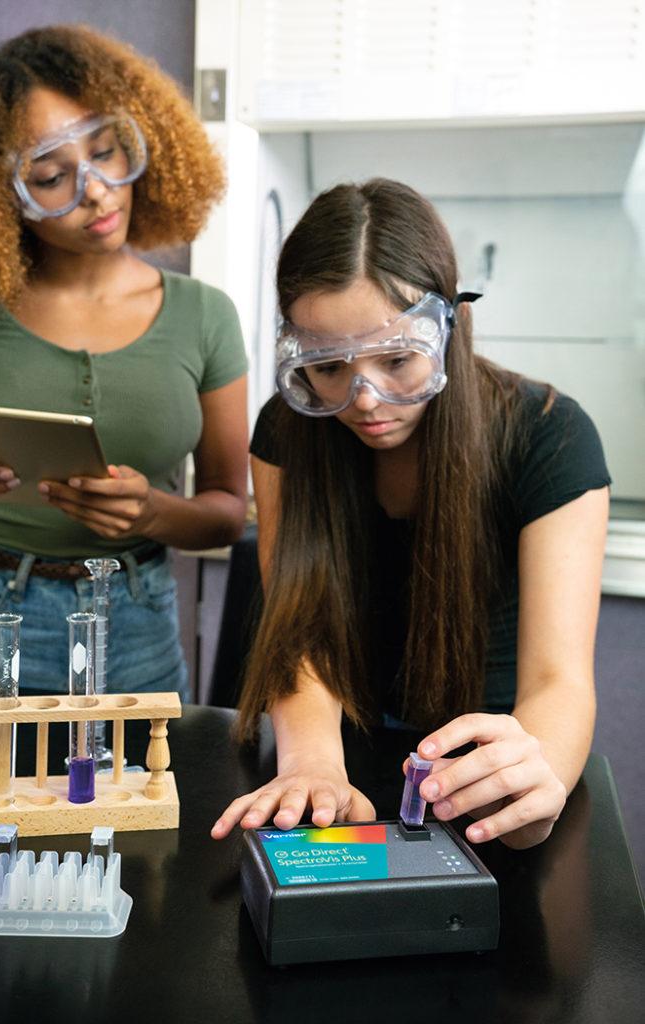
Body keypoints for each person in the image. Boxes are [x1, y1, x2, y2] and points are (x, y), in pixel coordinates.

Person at [211, 178, 609, 850]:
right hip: (343, 751)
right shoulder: (289, 430)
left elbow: (557, 680)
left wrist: (533, 779)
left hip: (487, 760)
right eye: (328, 366)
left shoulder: (551, 436)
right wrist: (310, 765)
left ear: (448, 324)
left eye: (396, 359)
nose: (364, 399)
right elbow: (300, 630)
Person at [0, 25, 249, 700]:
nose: (98, 191)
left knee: (130, 803)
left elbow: (226, 512)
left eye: (106, 153)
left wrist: (151, 513)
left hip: (132, 621)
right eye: (50, 176)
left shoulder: (205, 315)